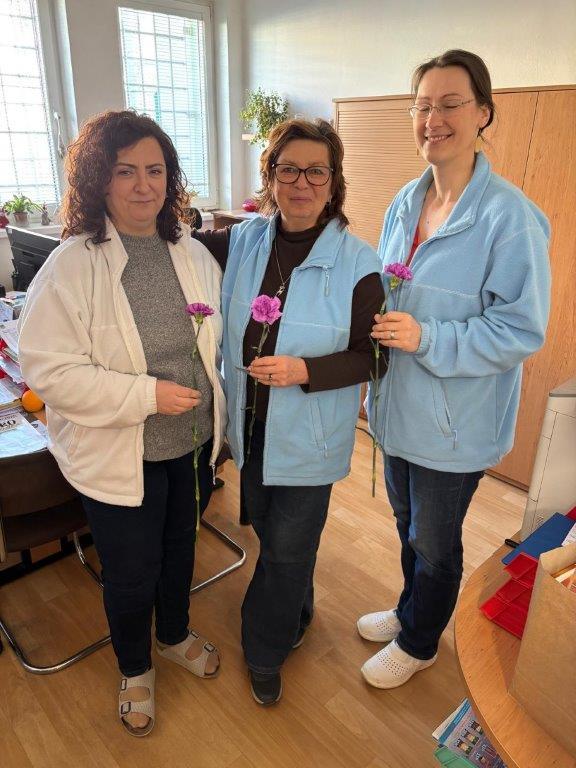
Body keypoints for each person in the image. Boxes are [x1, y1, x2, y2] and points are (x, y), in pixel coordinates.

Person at [18, 110, 226, 735]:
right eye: (125, 171)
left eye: (155, 171)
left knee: (180, 551)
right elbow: (50, 371)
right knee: (132, 574)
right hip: (120, 453)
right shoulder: (72, 265)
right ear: (98, 180)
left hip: (190, 444)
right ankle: (135, 668)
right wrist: (145, 395)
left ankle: (174, 634)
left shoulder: (191, 252)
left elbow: (214, 341)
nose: (143, 186)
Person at [358, 49, 551, 689]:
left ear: (483, 114)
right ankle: (409, 609)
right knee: (407, 527)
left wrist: (427, 337)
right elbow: (388, 295)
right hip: (397, 408)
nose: (432, 119)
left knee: (434, 542)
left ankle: (419, 642)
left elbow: (520, 329)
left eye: (450, 104)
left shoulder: (509, 218)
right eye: (422, 106)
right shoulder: (404, 202)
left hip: (453, 425)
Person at [193, 118, 385, 705]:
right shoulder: (245, 239)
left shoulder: (359, 263)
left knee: (284, 549)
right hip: (251, 427)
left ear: (333, 181)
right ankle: (298, 610)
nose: (302, 183)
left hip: (309, 436)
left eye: (316, 171)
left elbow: (375, 356)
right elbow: (181, 241)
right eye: (289, 170)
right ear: (271, 177)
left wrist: (306, 370)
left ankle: (264, 650)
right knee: (279, 537)